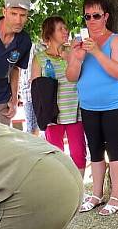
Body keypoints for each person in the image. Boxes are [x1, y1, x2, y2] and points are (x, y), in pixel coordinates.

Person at [67, 0, 118, 216]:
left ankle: (117, 195)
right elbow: (71, 76)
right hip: (89, 104)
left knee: (114, 149)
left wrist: (96, 52)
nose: (91, 20)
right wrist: (78, 57)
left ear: (106, 17)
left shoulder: (115, 40)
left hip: (113, 104)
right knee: (95, 150)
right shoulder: (78, 42)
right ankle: (96, 194)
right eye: (87, 16)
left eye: (96, 15)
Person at [31, 16, 85, 171]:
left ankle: (78, 193)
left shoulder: (74, 52)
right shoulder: (39, 58)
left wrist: (69, 58)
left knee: (79, 155)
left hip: (75, 112)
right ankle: (60, 192)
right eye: (60, 28)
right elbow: (37, 90)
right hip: (52, 115)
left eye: (65, 28)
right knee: (55, 157)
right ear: (50, 33)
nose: (65, 31)